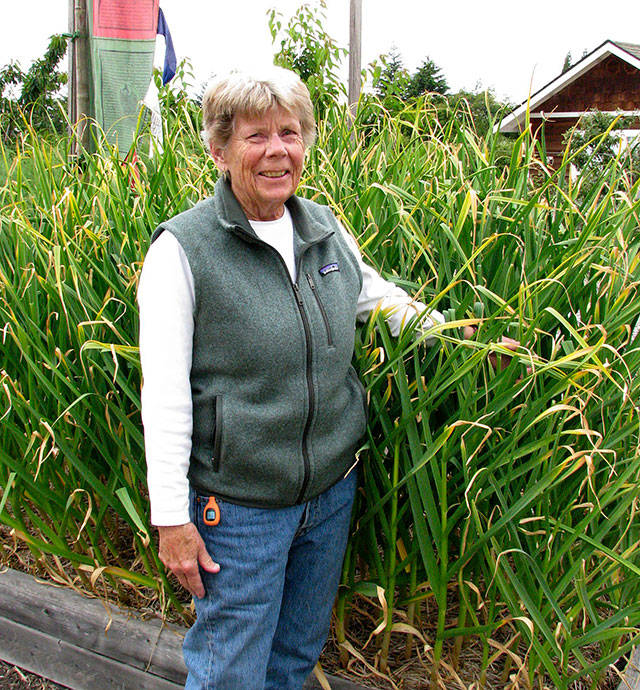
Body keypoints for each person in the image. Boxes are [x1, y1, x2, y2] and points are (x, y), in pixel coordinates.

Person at [137, 66, 453, 689]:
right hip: (242, 506)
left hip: (330, 492)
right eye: (256, 136)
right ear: (220, 148)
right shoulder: (182, 249)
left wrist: (451, 334)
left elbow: (375, 299)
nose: (277, 150)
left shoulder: (322, 228)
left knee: (294, 657)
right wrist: (171, 519)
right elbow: (166, 394)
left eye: (290, 132)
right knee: (231, 667)